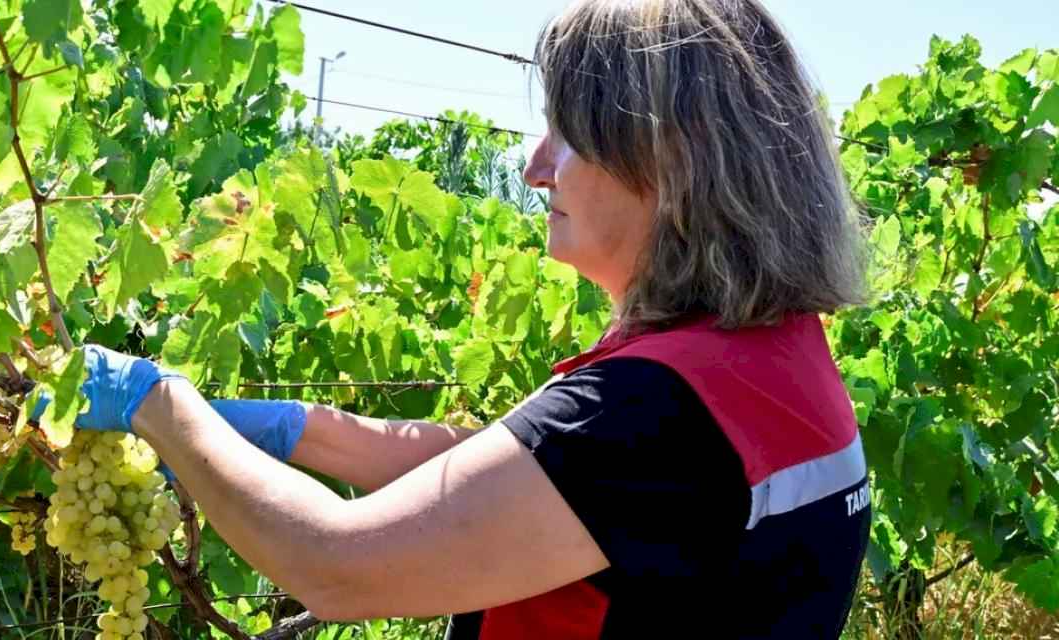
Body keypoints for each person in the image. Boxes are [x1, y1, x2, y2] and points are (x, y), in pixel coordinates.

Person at [61, 0, 873, 637]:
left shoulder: (654, 411)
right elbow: (532, 479)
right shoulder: (766, 358)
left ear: (674, 160)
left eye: (568, 135)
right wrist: (291, 430)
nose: (536, 168)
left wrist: (160, 404)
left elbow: (336, 566)